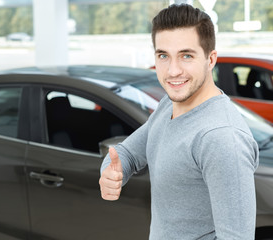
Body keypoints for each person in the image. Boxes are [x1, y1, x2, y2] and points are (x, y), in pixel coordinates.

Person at [99, 3, 259, 240]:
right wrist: (110, 173)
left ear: (210, 59)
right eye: (163, 56)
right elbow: (129, 153)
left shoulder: (221, 138)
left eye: (186, 55)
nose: (173, 71)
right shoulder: (170, 102)